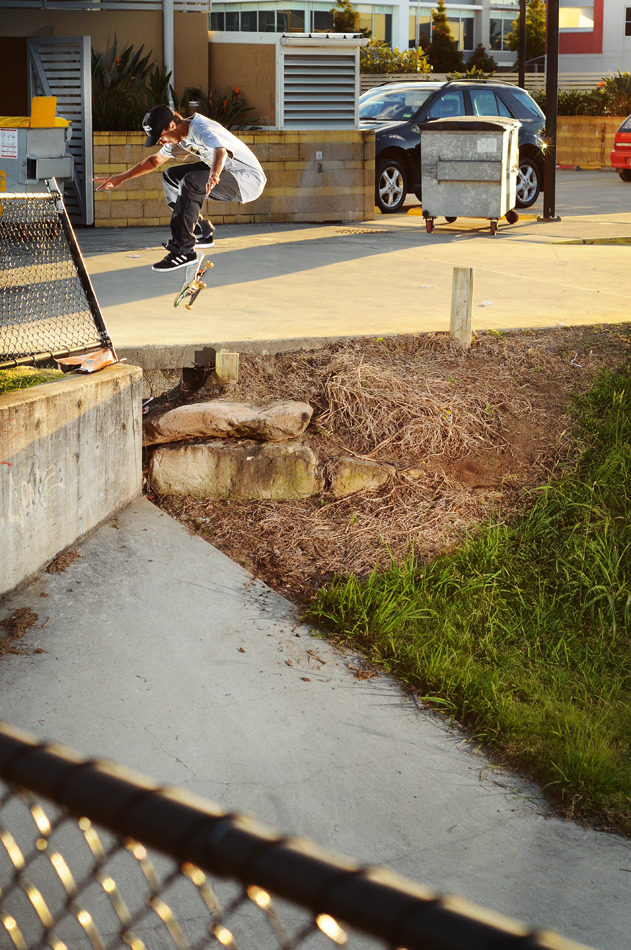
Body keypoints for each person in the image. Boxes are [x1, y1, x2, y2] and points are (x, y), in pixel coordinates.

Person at [94, 104, 266, 272]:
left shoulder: (201, 128)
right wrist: (121, 178)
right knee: (171, 176)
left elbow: (220, 150)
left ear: (172, 125)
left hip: (247, 181)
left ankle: (183, 250)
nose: (162, 142)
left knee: (190, 181)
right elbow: (154, 161)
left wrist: (214, 174)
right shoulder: (179, 138)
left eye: (161, 137)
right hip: (229, 176)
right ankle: (200, 231)